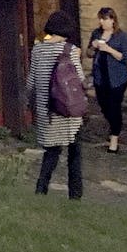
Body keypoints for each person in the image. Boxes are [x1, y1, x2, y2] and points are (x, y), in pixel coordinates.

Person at [28, 11, 86, 199]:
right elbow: (80, 80)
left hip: (48, 110)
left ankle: (41, 189)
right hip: (67, 110)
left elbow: (31, 82)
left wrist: (33, 104)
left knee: (51, 152)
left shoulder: (38, 49)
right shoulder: (69, 50)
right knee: (74, 152)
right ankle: (75, 195)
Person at [87, 7, 127, 154]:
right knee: (104, 106)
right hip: (101, 77)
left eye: (104, 19)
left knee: (114, 106)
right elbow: (88, 53)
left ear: (112, 20)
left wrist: (108, 49)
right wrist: (93, 48)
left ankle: (114, 138)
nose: (101, 22)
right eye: (100, 19)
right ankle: (113, 125)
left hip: (117, 78)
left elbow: (125, 58)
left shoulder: (121, 36)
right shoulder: (96, 33)